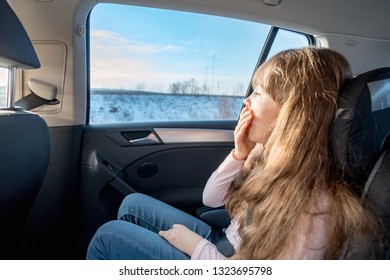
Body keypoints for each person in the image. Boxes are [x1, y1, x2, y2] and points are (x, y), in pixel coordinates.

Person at [86, 47, 376, 260]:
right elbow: (210, 199)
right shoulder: (270, 159)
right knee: (132, 204)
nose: (247, 100)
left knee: (108, 238)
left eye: (259, 93)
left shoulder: (313, 208)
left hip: (220, 259)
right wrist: (241, 153)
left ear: (291, 114)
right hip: (225, 245)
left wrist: (196, 248)